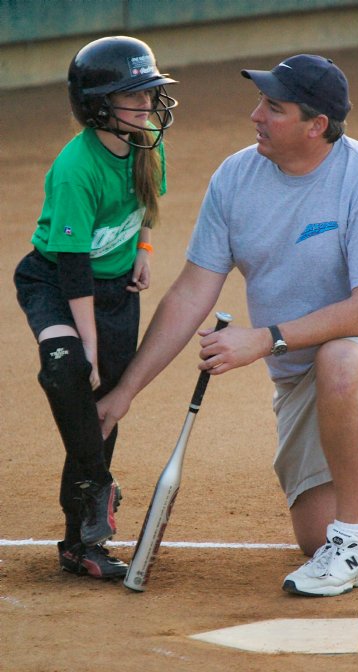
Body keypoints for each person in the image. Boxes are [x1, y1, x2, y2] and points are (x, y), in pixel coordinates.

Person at [97, 54, 358, 597]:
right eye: (260, 101)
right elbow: (192, 291)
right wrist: (125, 394)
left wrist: (263, 339)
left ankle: (354, 548)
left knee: (341, 358)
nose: (255, 115)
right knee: (313, 532)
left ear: (317, 126)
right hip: (300, 358)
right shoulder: (236, 177)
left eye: (273, 107)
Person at [13, 36, 178, 579]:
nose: (148, 104)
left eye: (149, 92)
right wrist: (87, 343)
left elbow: (148, 203)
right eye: (134, 95)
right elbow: (73, 263)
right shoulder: (75, 167)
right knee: (68, 370)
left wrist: (145, 251)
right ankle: (98, 492)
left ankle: (78, 544)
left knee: (104, 412)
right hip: (57, 282)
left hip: (115, 294)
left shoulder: (147, 142)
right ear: (98, 104)